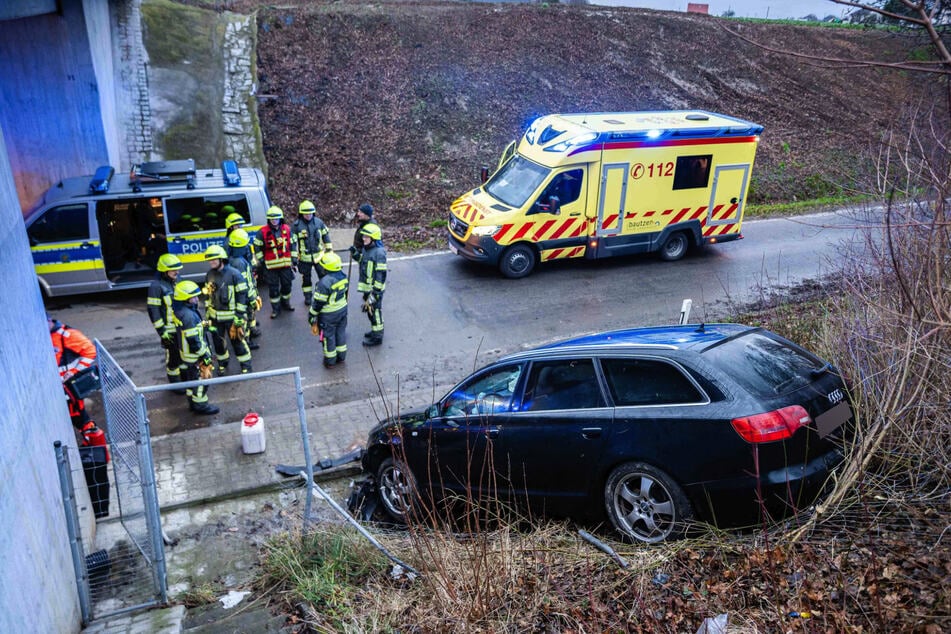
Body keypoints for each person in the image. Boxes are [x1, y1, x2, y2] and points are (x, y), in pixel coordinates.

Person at [171, 280, 219, 415]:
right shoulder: (189, 316)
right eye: (194, 297)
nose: (197, 299)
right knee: (201, 380)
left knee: (191, 380)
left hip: (187, 355)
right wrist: (204, 355)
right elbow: (193, 340)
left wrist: (205, 326)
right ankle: (200, 405)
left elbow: (193, 330)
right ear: (185, 299)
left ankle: (192, 402)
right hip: (195, 356)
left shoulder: (183, 311)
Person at [203, 244, 252, 375]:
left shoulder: (234, 274)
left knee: (237, 342)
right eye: (210, 260)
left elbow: (242, 296)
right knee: (218, 344)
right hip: (215, 318)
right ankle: (223, 364)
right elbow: (207, 296)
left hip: (232, 318)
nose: (211, 262)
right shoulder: (209, 275)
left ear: (221, 259)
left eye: (214, 259)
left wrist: (239, 317)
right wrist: (208, 316)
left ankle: (246, 365)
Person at [49, 315, 98, 430]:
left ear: (49, 321)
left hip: (68, 389)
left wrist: (75, 372)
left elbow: (90, 351)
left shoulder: (67, 335)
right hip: (56, 391)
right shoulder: (42, 337)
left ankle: (93, 444)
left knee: (83, 422)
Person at [147, 253, 185, 390]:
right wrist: (162, 331)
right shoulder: (156, 287)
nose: (177, 272)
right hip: (168, 329)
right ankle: (174, 381)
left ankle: (184, 377)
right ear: (164, 271)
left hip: (181, 326)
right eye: (174, 269)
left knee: (183, 353)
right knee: (173, 356)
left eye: (178, 269)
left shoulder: (177, 280)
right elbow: (153, 310)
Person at [254, 205, 297, 318]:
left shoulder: (287, 229)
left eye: (276, 219)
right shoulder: (262, 232)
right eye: (272, 219)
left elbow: (292, 244)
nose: (274, 221)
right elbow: (257, 246)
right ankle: (275, 309)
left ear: (280, 219)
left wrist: (294, 258)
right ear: (269, 219)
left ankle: (286, 303)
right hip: (270, 266)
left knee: (287, 286)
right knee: (273, 289)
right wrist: (262, 260)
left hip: (285, 265)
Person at [308, 252, 348, 367]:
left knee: (328, 336)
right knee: (340, 333)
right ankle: (341, 356)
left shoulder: (323, 283)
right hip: (342, 310)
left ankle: (330, 361)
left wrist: (311, 315)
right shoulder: (343, 277)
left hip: (328, 315)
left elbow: (318, 304)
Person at [292, 199, 333, 306]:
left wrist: (329, 250)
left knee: (323, 277)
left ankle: (324, 295)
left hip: (319, 256)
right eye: (306, 213)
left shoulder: (319, 223)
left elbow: (326, 237)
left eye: (310, 213)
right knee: (306, 279)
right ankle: (308, 297)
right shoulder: (296, 226)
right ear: (301, 214)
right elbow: (292, 244)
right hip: (305, 258)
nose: (308, 215)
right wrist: (294, 257)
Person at [226, 228, 262, 347]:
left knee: (250, 316)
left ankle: (251, 333)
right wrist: (252, 298)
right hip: (245, 297)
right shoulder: (238, 263)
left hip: (246, 295)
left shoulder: (236, 260)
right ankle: (246, 342)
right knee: (245, 320)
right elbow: (244, 284)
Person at [357, 222, 387, 346]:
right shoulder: (366, 249)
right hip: (367, 288)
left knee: (375, 311)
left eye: (366, 237)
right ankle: (375, 331)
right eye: (363, 236)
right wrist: (355, 253)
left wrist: (376, 292)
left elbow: (381, 275)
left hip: (374, 290)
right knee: (370, 311)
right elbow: (362, 262)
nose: (363, 238)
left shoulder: (379, 253)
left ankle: (378, 336)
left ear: (373, 238)